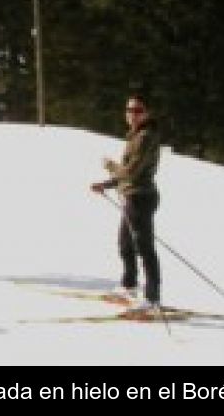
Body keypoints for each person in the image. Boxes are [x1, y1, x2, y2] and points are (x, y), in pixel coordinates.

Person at [91, 94, 161, 312]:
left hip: (141, 197)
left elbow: (132, 171)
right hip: (132, 195)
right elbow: (129, 173)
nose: (132, 114)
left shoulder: (145, 137)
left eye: (138, 110)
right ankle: (129, 285)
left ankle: (152, 297)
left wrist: (110, 166)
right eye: (129, 110)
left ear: (147, 113)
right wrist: (107, 184)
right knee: (125, 244)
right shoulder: (136, 135)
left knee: (144, 248)